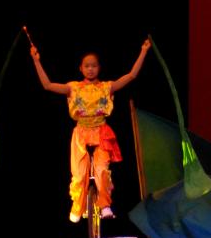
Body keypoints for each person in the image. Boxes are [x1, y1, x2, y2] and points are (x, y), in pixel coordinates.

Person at [31, 39, 151, 222]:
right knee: (79, 174)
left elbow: (131, 75)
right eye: (87, 66)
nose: (90, 69)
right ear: (81, 68)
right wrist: (36, 60)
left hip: (101, 131)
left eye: (94, 66)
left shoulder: (106, 87)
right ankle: (78, 206)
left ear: (99, 68)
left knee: (102, 170)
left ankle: (105, 205)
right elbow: (47, 85)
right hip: (81, 133)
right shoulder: (73, 88)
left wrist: (143, 51)